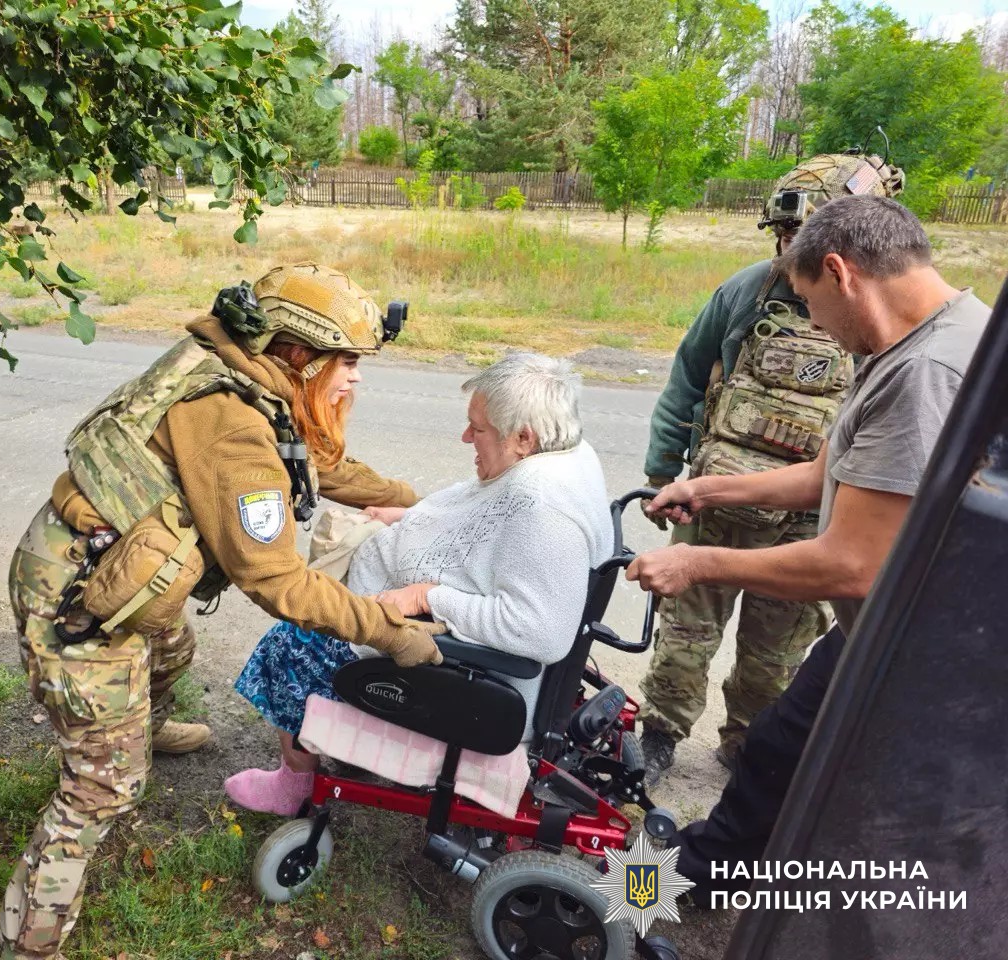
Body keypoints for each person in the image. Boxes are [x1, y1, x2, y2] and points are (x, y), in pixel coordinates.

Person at [0, 262, 447, 960]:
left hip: (111, 574)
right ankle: (29, 942)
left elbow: (310, 464)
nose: (357, 377)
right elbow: (276, 579)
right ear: (297, 353)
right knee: (99, 790)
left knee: (171, 650)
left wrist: (415, 501)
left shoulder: (244, 374)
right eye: (348, 362)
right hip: (77, 601)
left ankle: (137, 728)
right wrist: (392, 633)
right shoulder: (232, 425)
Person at [628, 195, 991, 897]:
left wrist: (696, 559)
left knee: (797, 774)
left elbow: (855, 565)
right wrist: (707, 492)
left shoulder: (925, 374)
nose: (815, 322)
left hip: (913, 644)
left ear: (840, 271)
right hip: (897, 628)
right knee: (778, 757)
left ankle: (642, 900)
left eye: (811, 301)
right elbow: (827, 476)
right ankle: (698, 890)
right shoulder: (921, 338)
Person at [223, 353, 614, 815]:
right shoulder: (564, 455)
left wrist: (426, 595)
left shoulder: (545, 508)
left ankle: (294, 786)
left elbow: (540, 632)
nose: (466, 436)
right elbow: (488, 527)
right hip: (415, 608)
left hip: (466, 672)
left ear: (523, 438)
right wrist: (412, 518)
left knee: (292, 639)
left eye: (479, 429)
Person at [637, 154, 906, 785]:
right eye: (785, 238)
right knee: (687, 628)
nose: (791, 253)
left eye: (803, 239)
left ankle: (749, 749)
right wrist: (661, 473)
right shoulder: (744, 291)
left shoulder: (885, 318)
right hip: (716, 502)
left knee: (775, 652)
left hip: (811, 520)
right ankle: (658, 735)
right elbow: (686, 381)